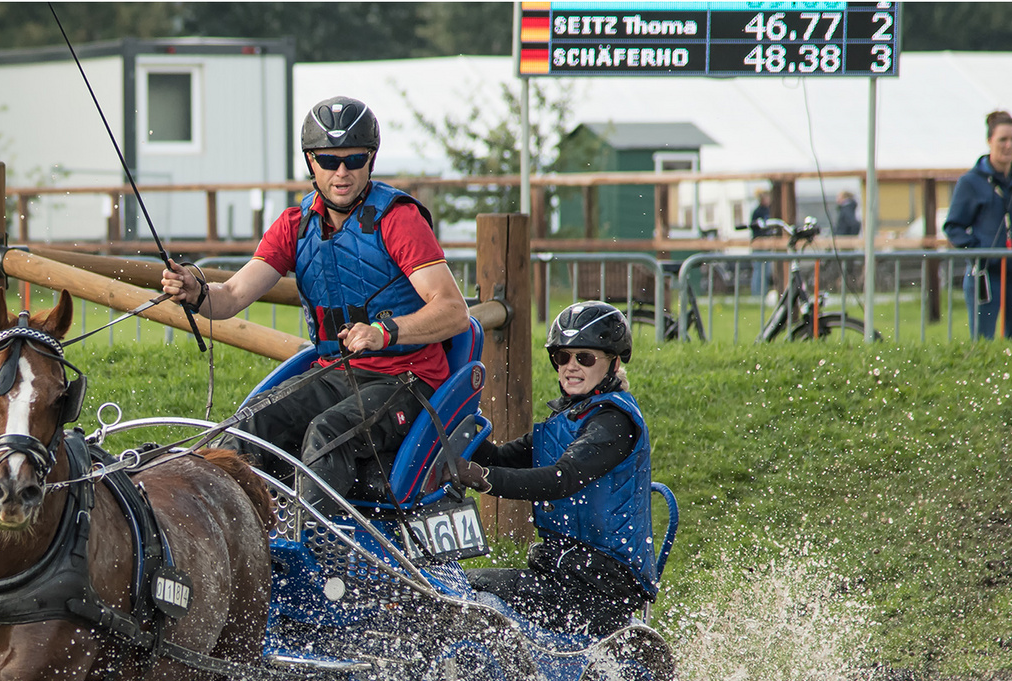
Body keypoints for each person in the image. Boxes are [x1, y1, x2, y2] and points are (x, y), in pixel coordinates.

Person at [160, 96, 469, 507]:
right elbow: (231, 296)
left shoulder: (399, 219)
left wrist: (384, 332)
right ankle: (233, 539)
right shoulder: (294, 224)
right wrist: (196, 291)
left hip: (404, 379)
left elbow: (453, 311)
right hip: (336, 374)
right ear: (310, 162)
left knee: (326, 433)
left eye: (354, 159)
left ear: (371, 159)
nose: (342, 173)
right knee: (249, 425)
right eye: (328, 160)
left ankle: (312, 551)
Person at [456, 301, 655, 639]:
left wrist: (483, 480)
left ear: (614, 361)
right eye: (563, 357)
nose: (570, 367)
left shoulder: (613, 422)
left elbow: (561, 479)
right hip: (565, 570)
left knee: (469, 592)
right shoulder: (570, 417)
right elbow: (502, 457)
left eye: (585, 358)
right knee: (460, 587)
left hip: (601, 584)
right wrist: (453, 431)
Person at [944, 109, 1012, 339]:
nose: (1008, 145)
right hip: (986, 274)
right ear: (990, 141)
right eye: (1003, 139)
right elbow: (953, 227)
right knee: (983, 340)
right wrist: (978, 251)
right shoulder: (971, 182)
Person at [748, 188, 780, 298]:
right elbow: (754, 228)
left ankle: (764, 293)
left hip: (768, 245)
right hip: (759, 245)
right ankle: (757, 294)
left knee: (766, 271)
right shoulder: (757, 212)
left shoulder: (770, 210)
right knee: (758, 270)